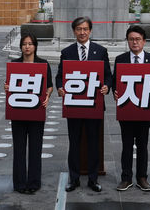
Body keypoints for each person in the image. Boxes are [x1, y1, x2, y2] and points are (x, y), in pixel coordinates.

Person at [55, 16, 112, 192]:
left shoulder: (100, 51)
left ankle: (93, 179)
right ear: (74, 31)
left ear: (90, 30)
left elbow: (108, 75)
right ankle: (74, 178)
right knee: (74, 142)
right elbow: (59, 76)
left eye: (85, 29)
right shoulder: (67, 52)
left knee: (94, 142)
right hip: (74, 105)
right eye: (79, 29)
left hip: (94, 104)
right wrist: (60, 88)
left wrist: (107, 87)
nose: (82, 32)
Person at [4, 33, 53, 194]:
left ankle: (33, 182)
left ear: (35, 46)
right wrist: (7, 88)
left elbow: (50, 85)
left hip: (36, 111)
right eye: (24, 44)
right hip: (18, 111)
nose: (27, 46)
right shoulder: (14, 64)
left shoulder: (43, 64)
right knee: (18, 149)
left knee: (35, 148)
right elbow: (9, 85)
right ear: (21, 46)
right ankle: (19, 183)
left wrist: (47, 96)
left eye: (30, 44)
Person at [113, 25, 150, 192]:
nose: (135, 42)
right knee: (126, 145)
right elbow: (114, 81)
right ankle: (126, 178)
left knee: (142, 144)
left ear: (144, 41)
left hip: (144, 110)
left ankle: (142, 177)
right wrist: (115, 93)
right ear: (127, 41)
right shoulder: (121, 59)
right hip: (126, 109)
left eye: (138, 39)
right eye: (131, 39)